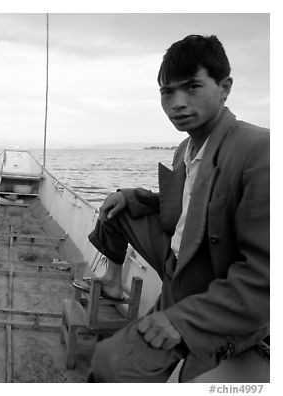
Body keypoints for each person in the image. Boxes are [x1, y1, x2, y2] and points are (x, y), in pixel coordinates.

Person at [85, 34, 269, 382]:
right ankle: (112, 283)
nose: (177, 103)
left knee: (109, 362)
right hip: (176, 263)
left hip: (207, 288)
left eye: (192, 87)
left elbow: (267, 276)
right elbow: (190, 209)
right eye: (167, 92)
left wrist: (180, 321)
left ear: (224, 87)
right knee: (115, 209)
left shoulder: (259, 151)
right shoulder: (185, 149)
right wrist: (134, 196)